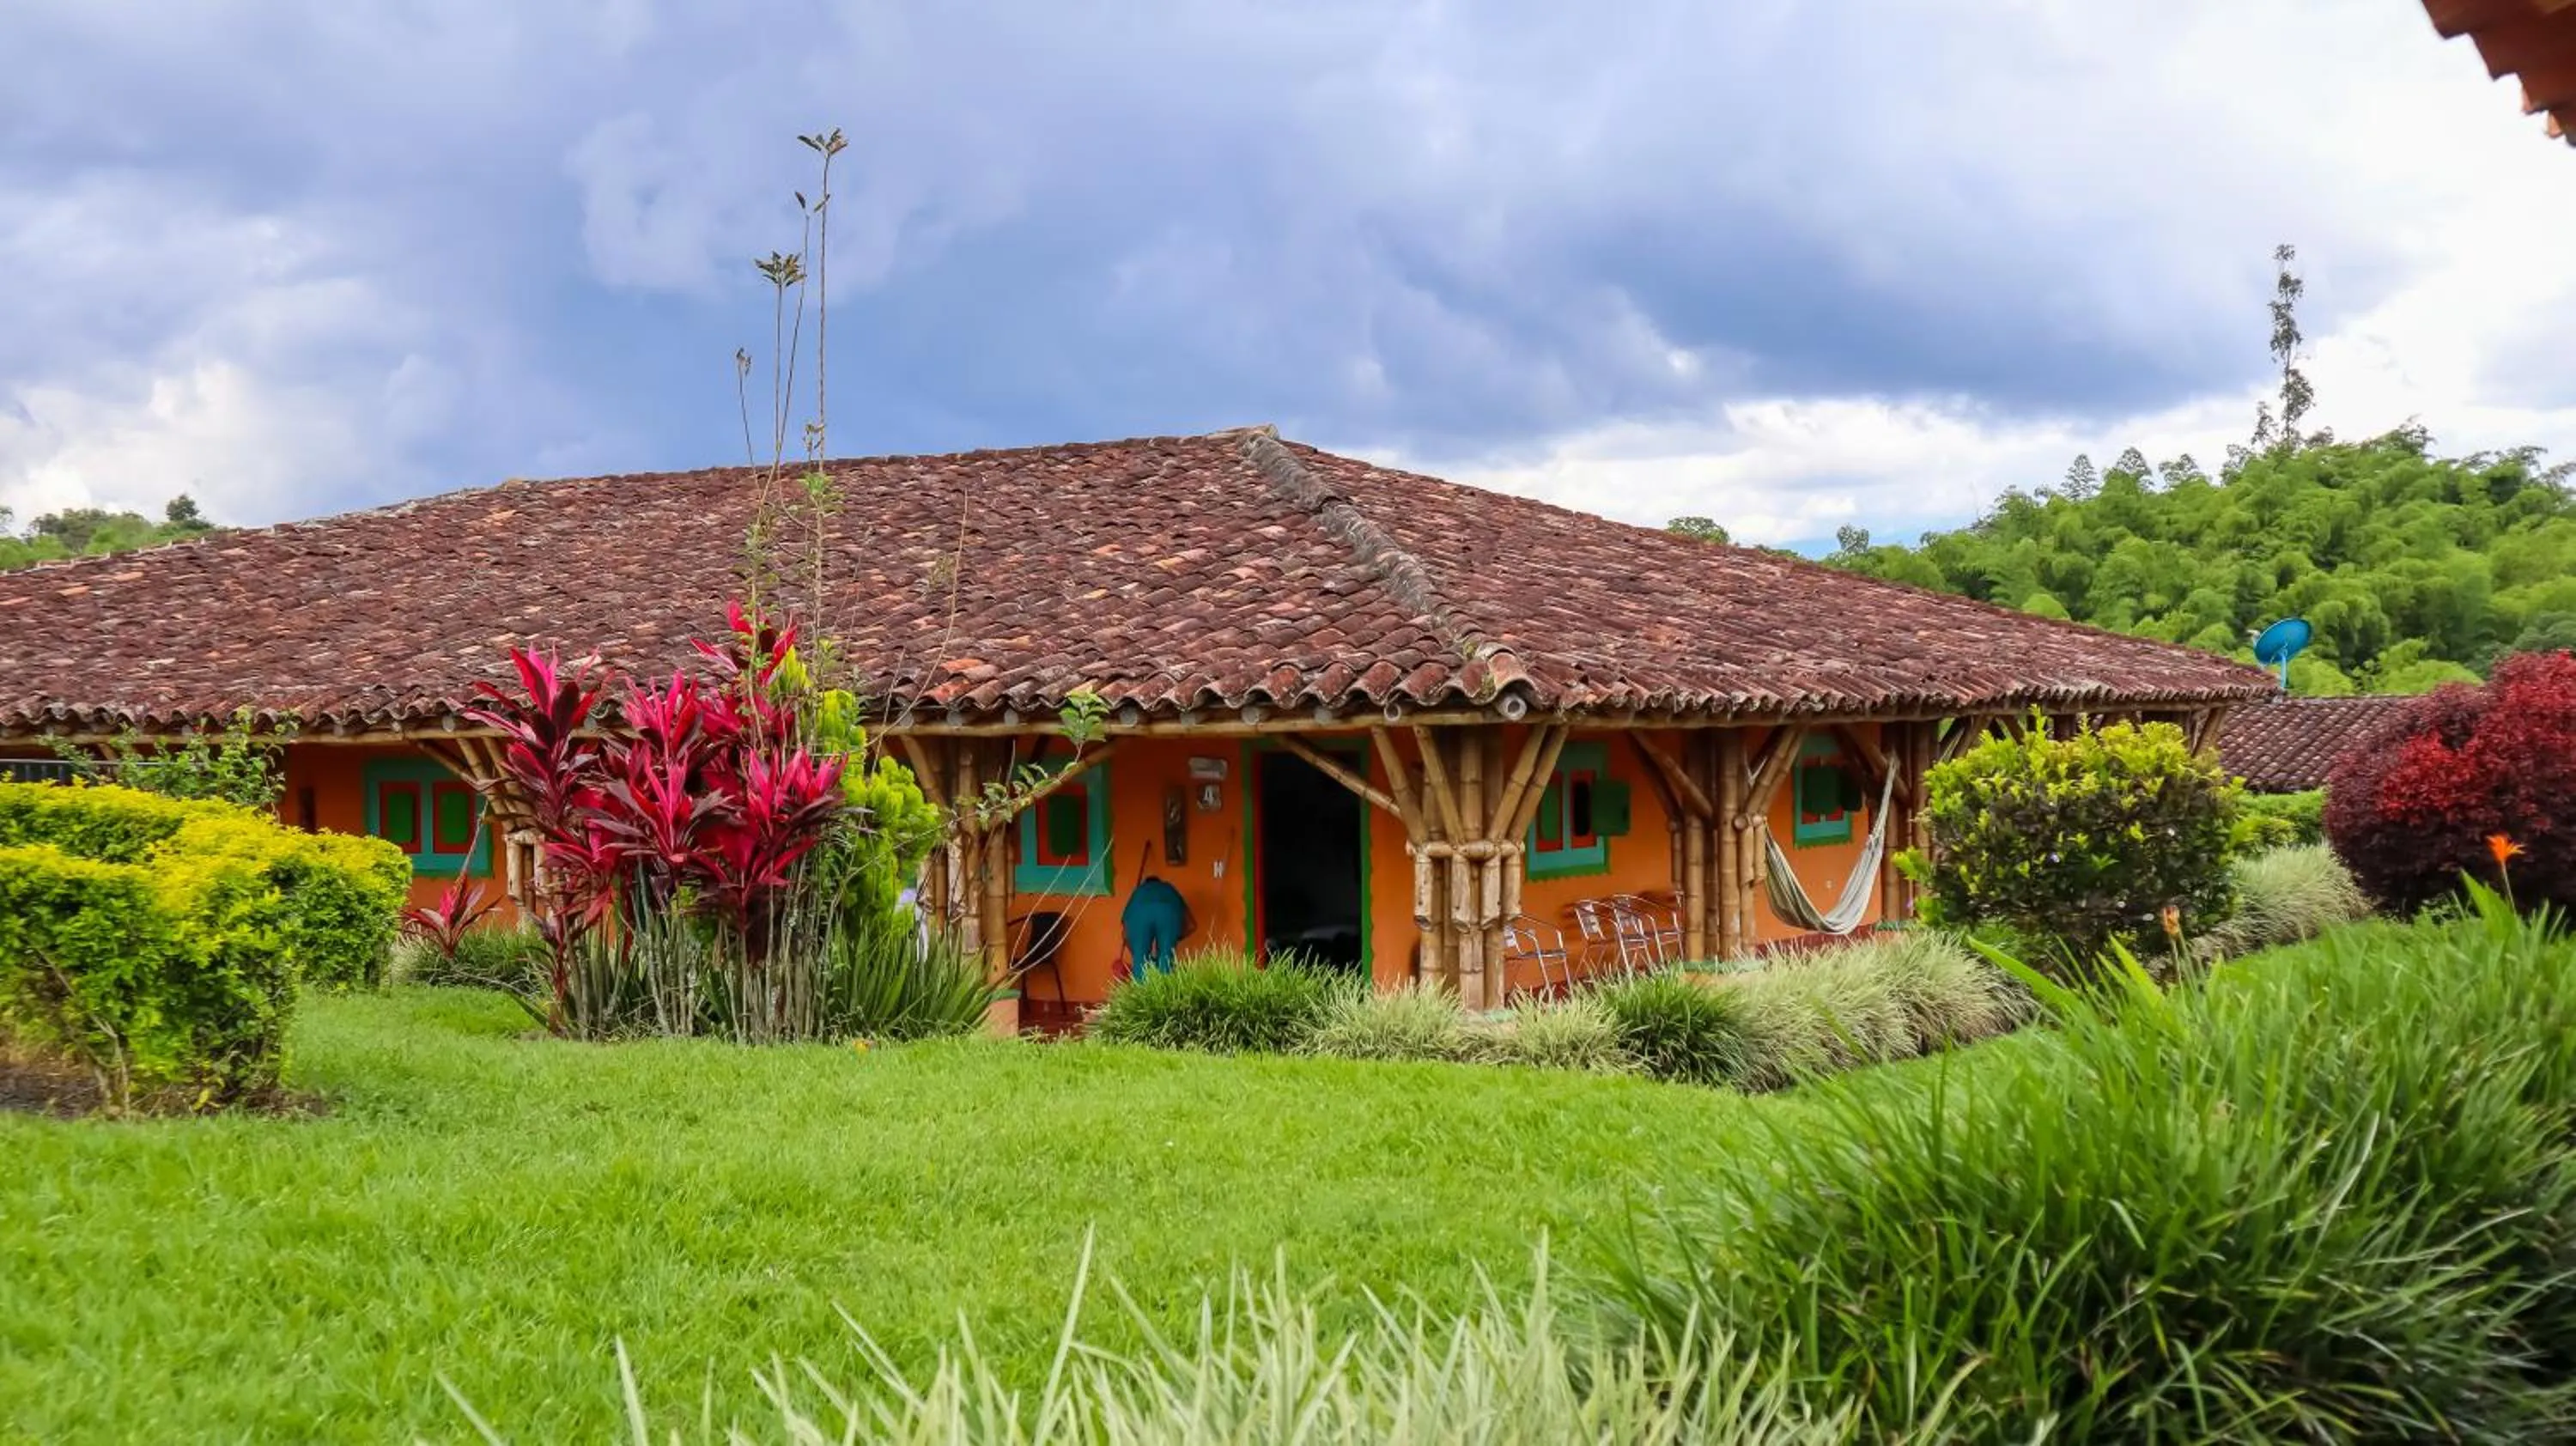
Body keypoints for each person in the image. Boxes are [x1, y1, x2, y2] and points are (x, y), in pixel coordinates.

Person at [1121, 874, 1190, 978]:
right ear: (1159, 883)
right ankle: (1164, 990)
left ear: (1146, 885)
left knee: (1140, 960)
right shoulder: (1169, 889)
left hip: (1140, 915)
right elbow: (1190, 924)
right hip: (1168, 913)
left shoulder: (1138, 892)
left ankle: (1141, 991)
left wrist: (1136, 952)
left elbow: (1125, 933)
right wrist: (1176, 937)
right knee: (1166, 958)